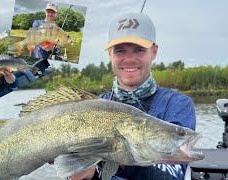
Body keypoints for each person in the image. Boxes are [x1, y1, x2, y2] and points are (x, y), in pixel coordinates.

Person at [70, 13, 196, 180]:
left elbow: (170, 176)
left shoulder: (178, 104)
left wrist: (94, 175)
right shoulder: (90, 107)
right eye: (120, 51)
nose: (129, 59)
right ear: (110, 54)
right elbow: (69, 166)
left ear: (154, 51)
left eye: (139, 50)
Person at [31, 2, 61, 76]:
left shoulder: (57, 28)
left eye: (53, 12)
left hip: (48, 61)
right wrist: (52, 43)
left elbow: (57, 47)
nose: (50, 14)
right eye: (48, 12)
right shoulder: (37, 23)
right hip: (38, 58)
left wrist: (58, 46)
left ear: (56, 14)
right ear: (45, 12)